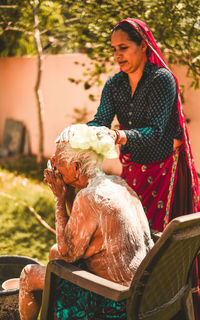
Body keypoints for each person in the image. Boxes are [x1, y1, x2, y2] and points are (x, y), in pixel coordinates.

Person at [87, 18, 200, 318]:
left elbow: (159, 131)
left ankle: (159, 297)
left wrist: (121, 135)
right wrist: (80, 133)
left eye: (124, 48)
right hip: (134, 169)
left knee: (156, 237)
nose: (117, 55)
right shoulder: (114, 84)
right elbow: (101, 119)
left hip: (164, 168)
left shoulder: (162, 80)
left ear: (143, 46)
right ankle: (134, 296)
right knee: (132, 232)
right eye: (114, 50)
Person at [19, 124, 154, 320]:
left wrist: (58, 199)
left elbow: (68, 254)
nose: (55, 167)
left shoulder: (89, 197)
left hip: (116, 301)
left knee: (29, 274)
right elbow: (83, 227)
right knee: (54, 252)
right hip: (144, 293)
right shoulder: (117, 183)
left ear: (76, 167)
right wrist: (69, 196)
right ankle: (53, 308)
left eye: (58, 163)